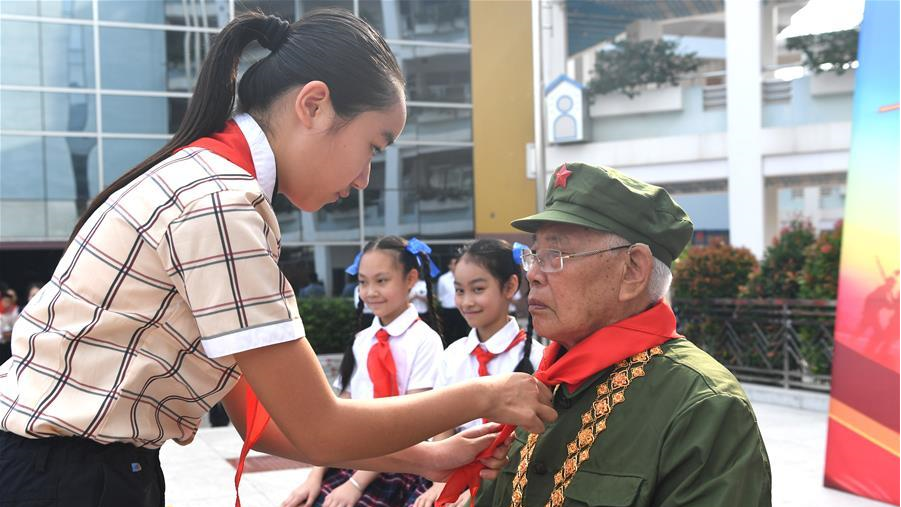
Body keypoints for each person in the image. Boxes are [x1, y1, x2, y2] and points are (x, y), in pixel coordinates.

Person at [0, 10, 555, 507]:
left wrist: (429, 457)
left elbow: (264, 423)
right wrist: (487, 394)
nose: (365, 178)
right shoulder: (223, 205)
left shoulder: (205, 182)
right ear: (314, 105)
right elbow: (318, 426)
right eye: (373, 146)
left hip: (69, 468)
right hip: (70, 477)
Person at [441, 163, 772, 507]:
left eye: (555, 255)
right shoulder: (548, 381)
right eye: (535, 255)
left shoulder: (704, 407)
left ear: (633, 270)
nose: (534, 274)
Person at [282, 236, 445, 507]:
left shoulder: (425, 341)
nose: (370, 292)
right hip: (355, 458)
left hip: (401, 465)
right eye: (363, 282)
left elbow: (411, 426)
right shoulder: (361, 341)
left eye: (381, 281)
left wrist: (356, 484)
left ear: (410, 279)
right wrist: (314, 476)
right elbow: (337, 417)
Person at [412, 239, 545, 507]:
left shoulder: (537, 358)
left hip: (514, 481)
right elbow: (443, 424)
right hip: (453, 475)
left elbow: (535, 441)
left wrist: (478, 490)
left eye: (478, 289)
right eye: (459, 291)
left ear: (510, 287)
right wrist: (442, 485)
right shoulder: (453, 355)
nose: (466, 301)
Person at [438, 255, 470, 344]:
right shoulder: (443, 279)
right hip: (448, 309)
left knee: (462, 331)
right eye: (454, 263)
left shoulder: (465, 277)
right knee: (448, 332)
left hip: (462, 308)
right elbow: (440, 295)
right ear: (449, 266)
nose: (456, 266)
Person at [0, 287, 18, 366]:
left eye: (8, 301)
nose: (6, 303)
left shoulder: (15, 311)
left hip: (11, 344)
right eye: (5, 301)